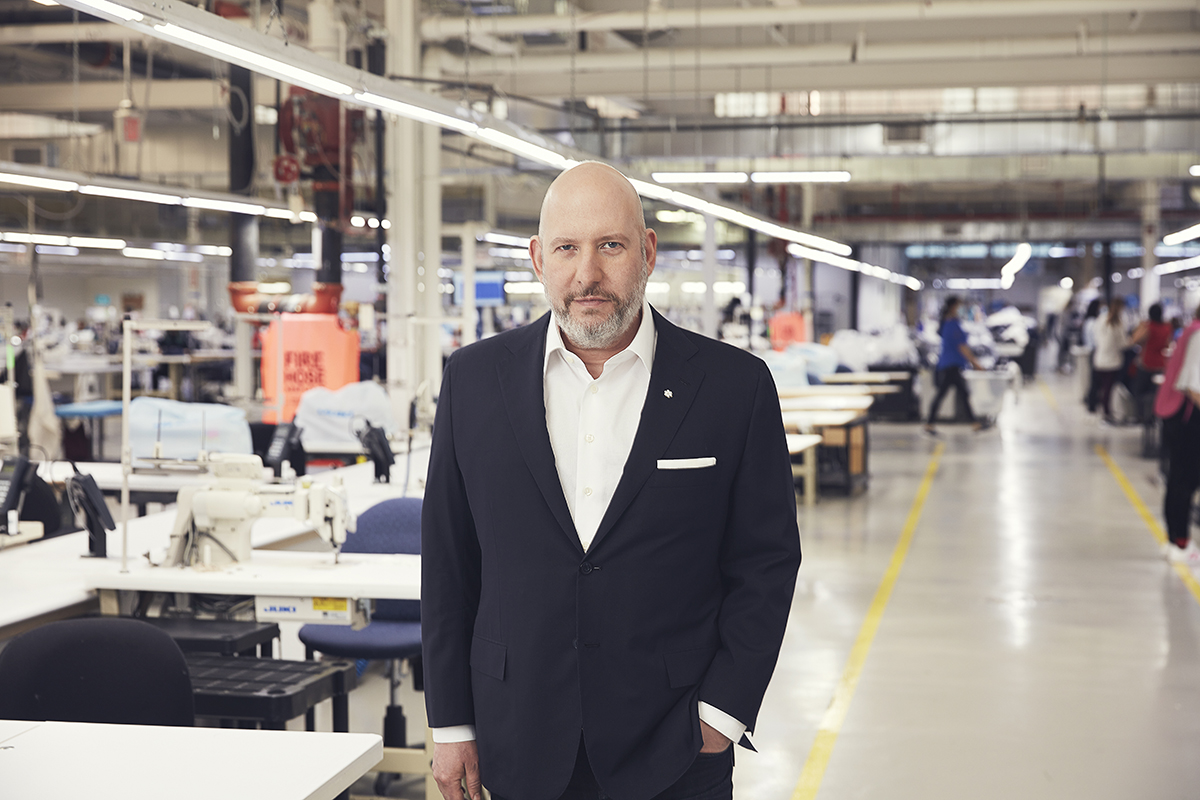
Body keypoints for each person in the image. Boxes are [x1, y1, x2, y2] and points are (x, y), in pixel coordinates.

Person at [421, 162, 802, 800]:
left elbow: (765, 563)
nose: (587, 274)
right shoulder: (472, 382)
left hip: (675, 743)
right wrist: (452, 722)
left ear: (647, 252)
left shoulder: (734, 388)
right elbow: (449, 564)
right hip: (515, 733)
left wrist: (721, 714)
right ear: (539, 259)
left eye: (611, 246)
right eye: (567, 248)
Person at [1158, 304, 1200, 564]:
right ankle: (1181, 542)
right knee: (1186, 480)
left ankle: (1175, 540)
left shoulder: (1191, 331)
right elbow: (1193, 387)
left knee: (1178, 478)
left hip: (1178, 415)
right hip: (1187, 417)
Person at [924, 296, 989, 435]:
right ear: (953, 307)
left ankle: (974, 423)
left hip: (951, 365)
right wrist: (976, 364)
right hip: (950, 366)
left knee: (959, 394)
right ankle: (930, 424)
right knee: (949, 395)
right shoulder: (952, 324)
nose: (961, 309)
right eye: (959, 306)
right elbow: (962, 347)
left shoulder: (948, 323)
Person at [1130, 302, 1173, 421]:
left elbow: (1134, 340)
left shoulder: (1148, 327)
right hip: (1160, 363)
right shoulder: (1167, 327)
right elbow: (1167, 344)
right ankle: (1155, 415)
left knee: (1139, 391)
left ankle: (1142, 416)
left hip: (1147, 363)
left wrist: (1140, 327)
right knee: (1156, 393)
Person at [1091, 297, 1129, 424]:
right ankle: (1107, 413)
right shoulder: (1118, 323)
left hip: (1099, 359)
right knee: (1109, 389)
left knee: (1102, 388)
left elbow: (1095, 337)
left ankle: (1102, 411)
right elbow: (1123, 344)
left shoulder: (1101, 319)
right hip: (1112, 361)